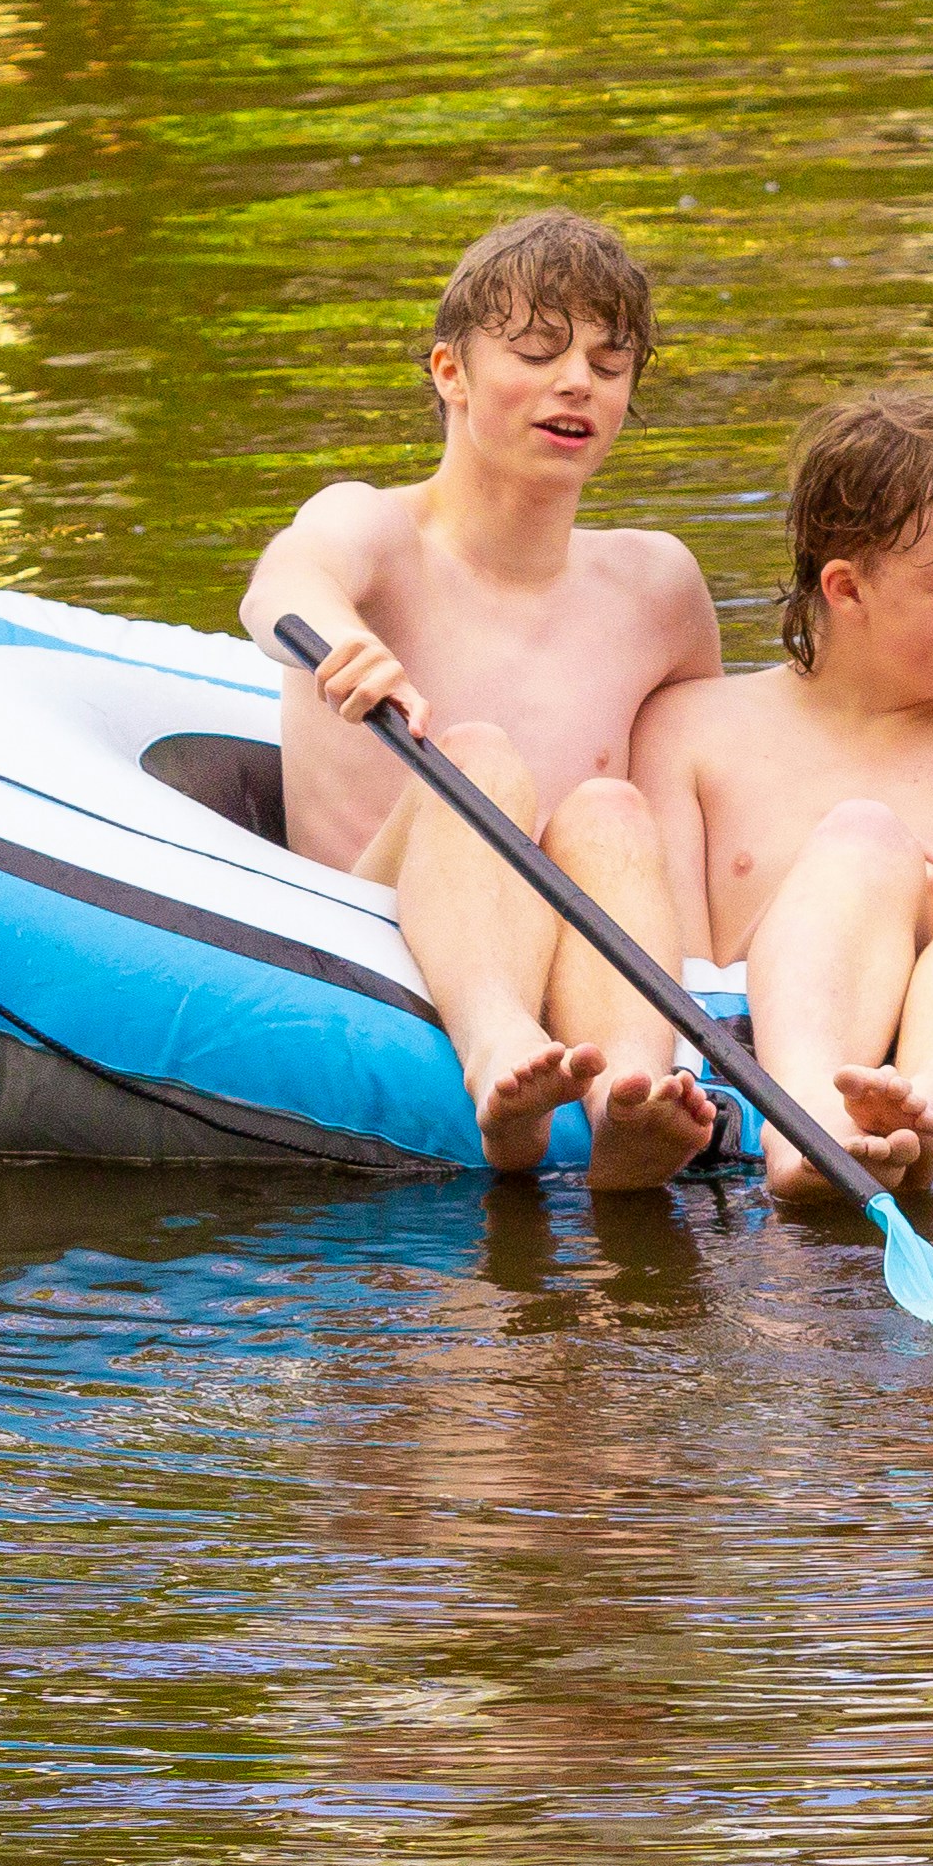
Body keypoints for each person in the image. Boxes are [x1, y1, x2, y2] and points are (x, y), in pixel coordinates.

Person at [240, 210, 725, 1188]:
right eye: (540, 351)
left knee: (609, 807)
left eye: (609, 360)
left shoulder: (658, 588)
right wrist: (345, 644)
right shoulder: (374, 528)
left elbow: (708, 782)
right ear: (450, 373)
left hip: (573, 939)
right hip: (374, 931)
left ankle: (630, 1087)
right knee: (483, 761)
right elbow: (279, 583)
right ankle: (496, 1043)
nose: (578, 381)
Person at [629, 394, 933, 1201]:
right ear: (847, 589)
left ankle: (931, 1127)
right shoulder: (690, 730)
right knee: (864, 841)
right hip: (767, 1064)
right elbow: (666, 967)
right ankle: (808, 1125)